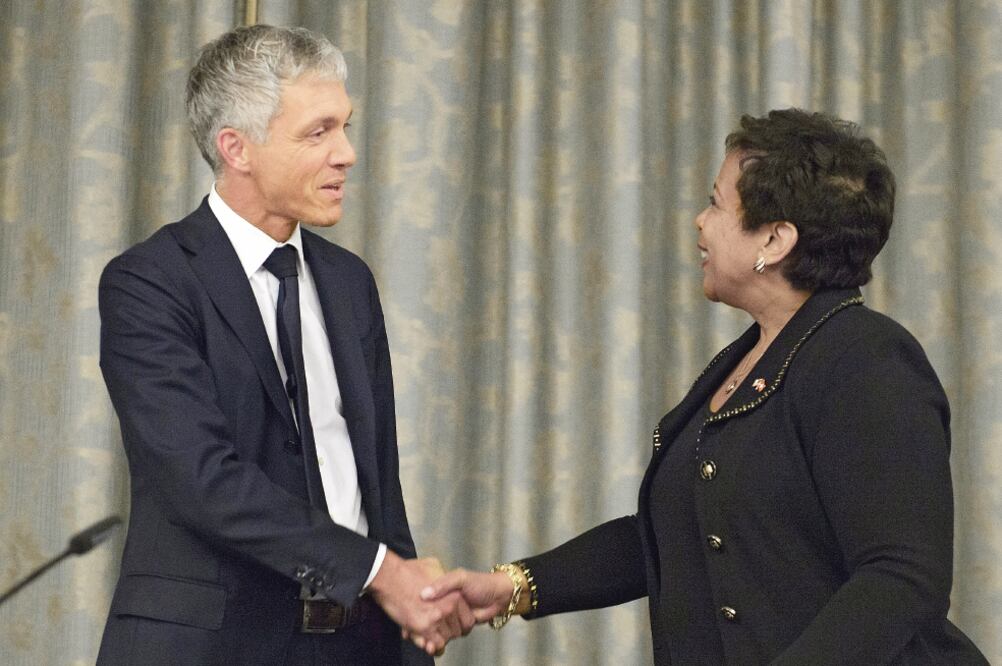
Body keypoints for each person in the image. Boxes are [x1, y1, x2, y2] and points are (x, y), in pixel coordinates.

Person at [422, 109, 989, 664]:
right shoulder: (745, 359)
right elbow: (671, 535)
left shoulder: (866, 360)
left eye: (717, 204)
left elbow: (901, 578)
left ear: (775, 239)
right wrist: (517, 586)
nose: (700, 220)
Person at [96, 25, 471, 665]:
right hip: (209, 647)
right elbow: (202, 480)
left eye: (345, 126)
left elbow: (378, 485)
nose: (348, 153)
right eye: (318, 132)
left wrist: (414, 612)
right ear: (237, 149)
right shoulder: (149, 283)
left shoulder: (351, 283)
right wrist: (382, 573)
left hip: (358, 645)